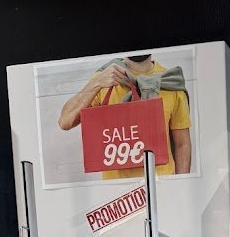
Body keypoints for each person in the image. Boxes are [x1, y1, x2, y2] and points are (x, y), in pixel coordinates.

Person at [58, 54, 192, 178]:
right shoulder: (105, 78)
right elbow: (65, 121)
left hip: (161, 183)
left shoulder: (170, 81)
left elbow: (182, 144)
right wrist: (96, 82)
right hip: (117, 190)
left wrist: (181, 186)